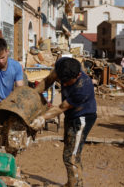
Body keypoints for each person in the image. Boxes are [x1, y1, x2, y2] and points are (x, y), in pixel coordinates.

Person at [31, 58, 97, 187]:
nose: (64, 85)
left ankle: (76, 185)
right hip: (71, 115)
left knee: (71, 156)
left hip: (82, 118)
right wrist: (33, 95)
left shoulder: (83, 87)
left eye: (67, 82)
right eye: (62, 81)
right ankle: (73, 182)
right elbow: (48, 80)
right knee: (69, 149)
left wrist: (42, 118)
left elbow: (61, 108)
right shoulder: (62, 65)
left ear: (77, 75)